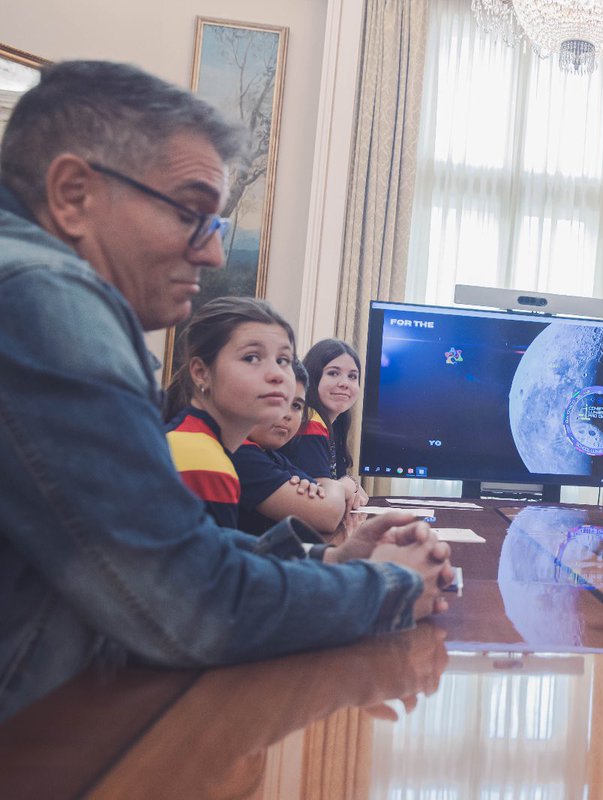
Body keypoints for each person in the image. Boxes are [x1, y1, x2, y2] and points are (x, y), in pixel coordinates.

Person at [0, 60, 452, 722]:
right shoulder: (45, 297)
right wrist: (385, 588)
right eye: (193, 213)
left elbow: (153, 549)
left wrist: (330, 560)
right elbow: (187, 603)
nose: (213, 255)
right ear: (73, 193)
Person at [163, 297, 302, 530]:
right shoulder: (202, 460)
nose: (277, 374)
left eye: (283, 360)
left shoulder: (197, 441)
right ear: (201, 372)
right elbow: (215, 566)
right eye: (252, 358)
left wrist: (329, 556)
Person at [233, 359, 349, 536]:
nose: (287, 414)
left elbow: (320, 487)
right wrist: (339, 487)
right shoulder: (240, 454)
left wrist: (327, 488)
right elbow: (327, 516)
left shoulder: (271, 455)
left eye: (296, 405)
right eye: (275, 399)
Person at [281, 338, 370, 508]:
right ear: (312, 377)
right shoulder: (310, 421)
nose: (344, 383)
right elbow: (325, 500)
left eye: (352, 376)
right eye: (333, 373)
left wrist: (348, 484)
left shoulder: (335, 423)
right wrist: (351, 484)